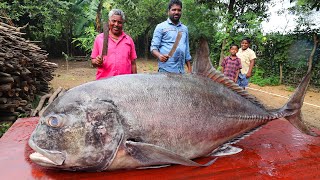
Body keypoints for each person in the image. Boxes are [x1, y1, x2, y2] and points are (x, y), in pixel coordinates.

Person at [91, 9, 137, 80]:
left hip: (125, 83)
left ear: (123, 23)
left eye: (119, 22)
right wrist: (96, 61)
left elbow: (133, 63)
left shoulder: (129, 40)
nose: (116, 24)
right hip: (104, 83)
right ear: (109, 21)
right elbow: (93, 61)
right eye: (114, 21)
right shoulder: (100, 38)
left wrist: (135, 81)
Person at [150, 0, 192, 73]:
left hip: (181, 71)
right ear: (168, 11)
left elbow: (187, 51)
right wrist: (160, 56)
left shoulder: (184, 29)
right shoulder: (161, 27)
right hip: (165, 70)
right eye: (174, 10)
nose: (176, 12)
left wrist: (190, 70)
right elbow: (153, 48)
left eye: (179, 10)